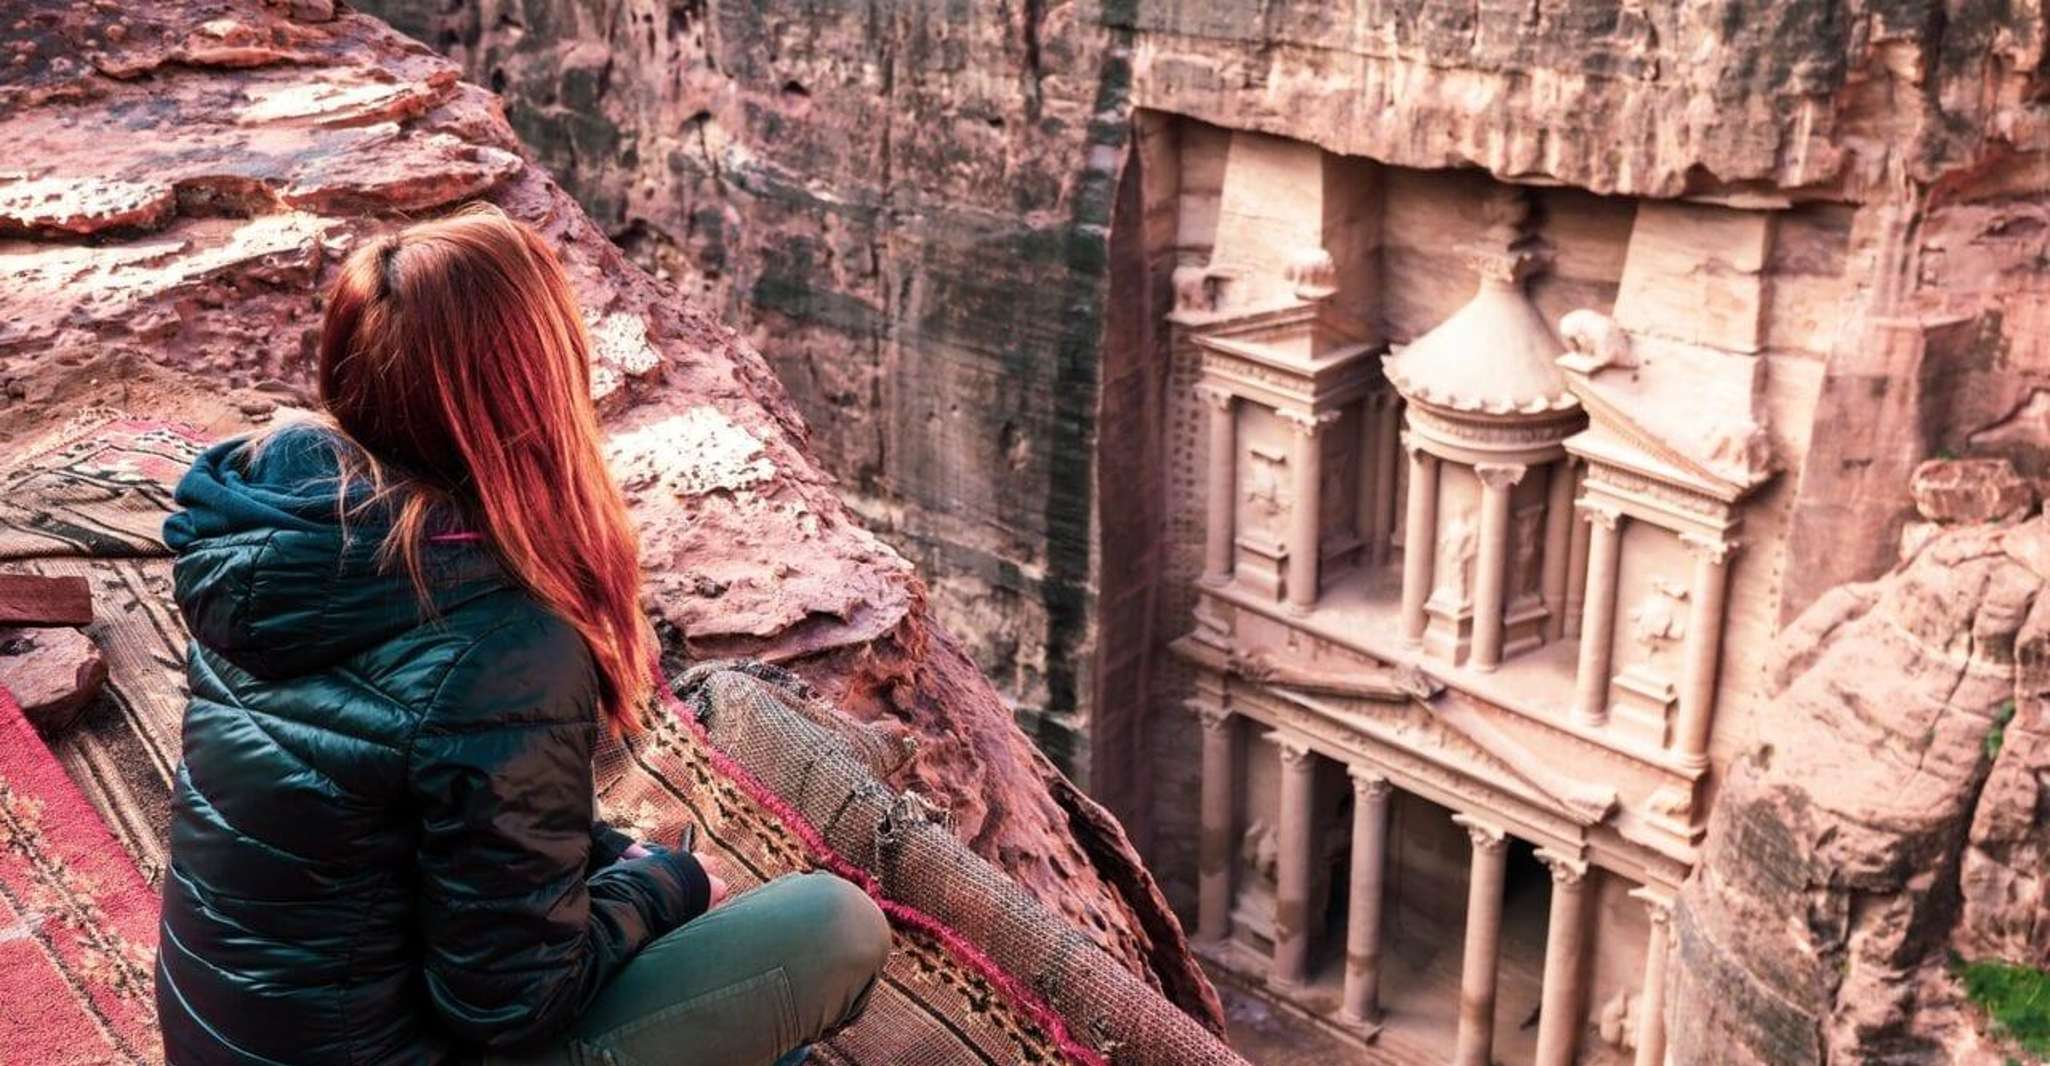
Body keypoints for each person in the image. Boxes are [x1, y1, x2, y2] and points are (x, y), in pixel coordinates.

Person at [154, 203, 891, 1066]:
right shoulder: (502, 647)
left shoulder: (269, 540)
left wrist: (604, 862)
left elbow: (390, 806)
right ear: (533, 396)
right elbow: (509, 1004)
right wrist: (665, 886)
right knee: (830, 928)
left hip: (225, 1042)